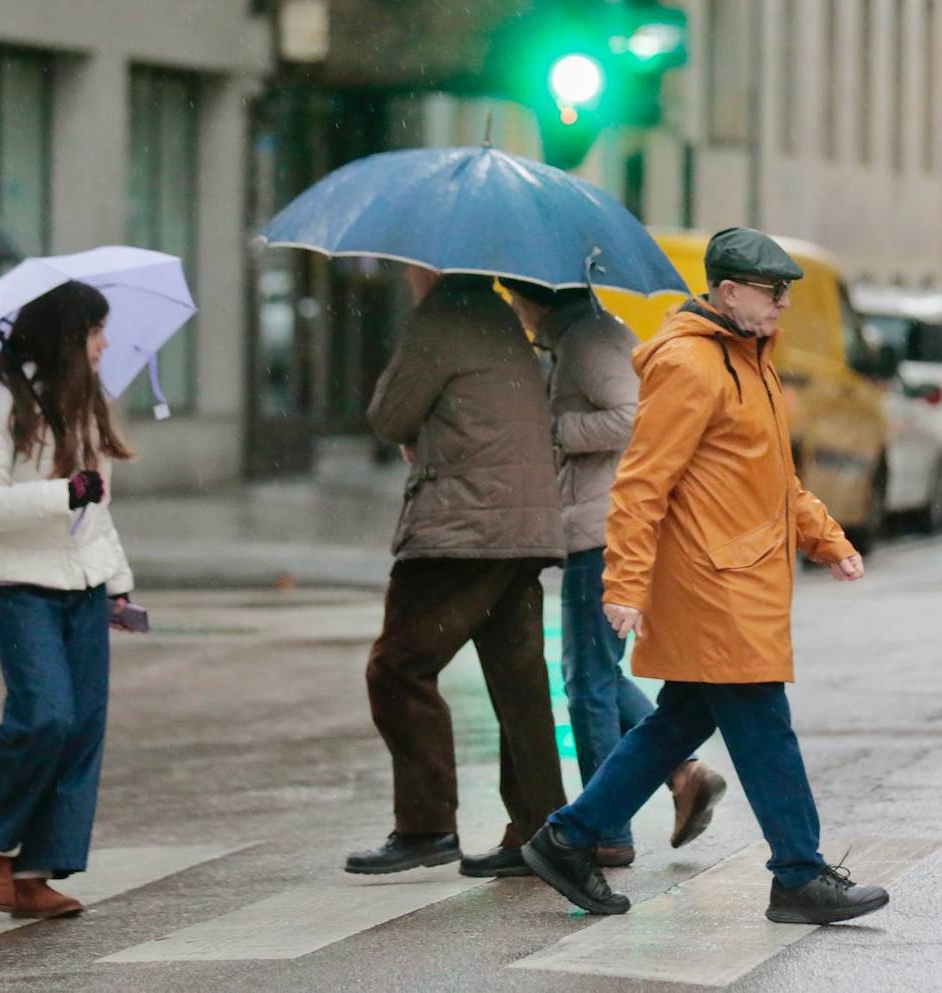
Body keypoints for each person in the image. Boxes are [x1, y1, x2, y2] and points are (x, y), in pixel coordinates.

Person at [521, 228, 891, 925]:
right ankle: (799, 872)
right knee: (763, 722)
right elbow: (641, 483)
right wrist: (625, 584)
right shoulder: (690, 366)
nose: (785, 303)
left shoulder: (752, 361)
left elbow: (772, 479)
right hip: (713, 583)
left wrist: (825, 536)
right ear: (727, 292)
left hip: (740, 575)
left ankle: (568, 837)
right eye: (772, 291)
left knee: (676, 724)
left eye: (787, 290)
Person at [346, 268, 568, 880]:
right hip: (523, 529)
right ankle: (545, 828)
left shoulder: (442, 319)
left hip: (462, 530)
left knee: (398, 668)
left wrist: (418, 428)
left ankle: (426, 826)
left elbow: (389, 414)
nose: (409, 274)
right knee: (517, 684)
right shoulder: (499, 318)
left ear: (431, 266)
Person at [503, 280, 726, 869]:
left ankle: (606, 829)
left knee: (586, 685)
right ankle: (682, 772)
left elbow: (633, 418)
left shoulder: (588, 341)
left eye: (514, 297)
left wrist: (553, 429)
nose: (513, 310)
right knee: (598, 673)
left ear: (535, 297)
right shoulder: (578, 338)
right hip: (598, 523)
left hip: (604, 530)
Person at [0, 281, 139, 919]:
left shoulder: (86, 404)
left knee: (80, 729)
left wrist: (118, 584)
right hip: (21, 585)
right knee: (45, 717)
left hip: (84, 587)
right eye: (96, 331)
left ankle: (36, 872)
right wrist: (63, 493)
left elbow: (99, 510)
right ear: (70, 335)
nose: (105, 343)